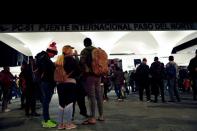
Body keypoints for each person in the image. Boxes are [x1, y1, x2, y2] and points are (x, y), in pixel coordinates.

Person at [80, 38, 104, 125]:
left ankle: (92, 117)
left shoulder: (85, 51)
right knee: (99, 96)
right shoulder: (96, 50)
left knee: (92, 97)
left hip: (90, 75)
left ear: (84, 43)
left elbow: (81, 62)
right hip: (98, 75)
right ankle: (101, 116)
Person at [56, 45, 80, 130]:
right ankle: (68, 124)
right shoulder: (72, 60)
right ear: (69, 51)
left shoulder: (59, 60)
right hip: (70, 84)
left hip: (60, 84)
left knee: (61, 103)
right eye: (71, 50)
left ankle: (60, 124)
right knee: (69, 103)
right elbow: (78, 71)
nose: (72, 51)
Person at [35, 42, 58, 128]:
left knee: (46, 102)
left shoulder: (43, 57)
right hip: (47, 82)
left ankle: (47, 119)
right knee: (46, 102)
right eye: (54, 53)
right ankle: (46, 121)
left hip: (45, 82)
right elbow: (48, 71)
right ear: (50, 52)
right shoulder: (45, 59)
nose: (54, 55)